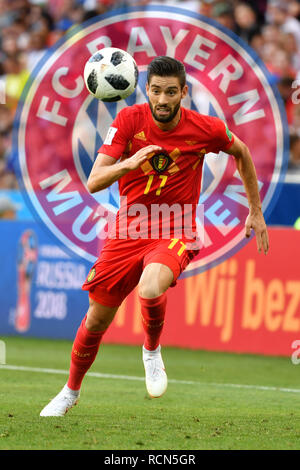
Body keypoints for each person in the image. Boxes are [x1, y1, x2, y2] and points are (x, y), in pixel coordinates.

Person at [40, 56, 269, 417]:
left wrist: (255, 210)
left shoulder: (206, 129)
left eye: (171, 92)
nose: (163, 100)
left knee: (150, 286)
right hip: (128, 229)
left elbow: (240, 152)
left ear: (184, 93)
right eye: (157, 91)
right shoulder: (129, 121)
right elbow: (94, 180)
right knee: (96, 321)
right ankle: (70, 391)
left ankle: (151, 351)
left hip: (176, 227)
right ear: (145, 89)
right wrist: (129, 163)